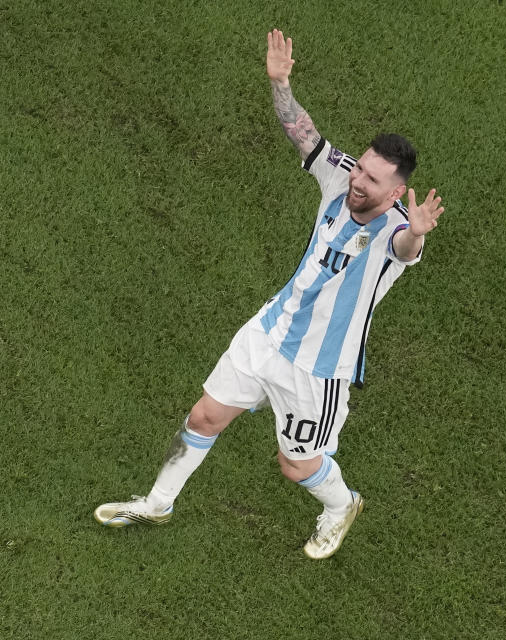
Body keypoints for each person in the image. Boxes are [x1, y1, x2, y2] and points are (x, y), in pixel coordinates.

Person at [94, 29, 444, 560]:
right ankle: (158, 502)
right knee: (204, 417)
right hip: (269, 331)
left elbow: (405, 247)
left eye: (372, 180)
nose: (358, 182)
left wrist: (417, 230)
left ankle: (340, 504)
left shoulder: (394, 233)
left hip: (317, 371)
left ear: (396, 192)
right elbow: (302, 132)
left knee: (296, 465)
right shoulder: (341, 179)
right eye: (361, 169)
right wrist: (280, 83)